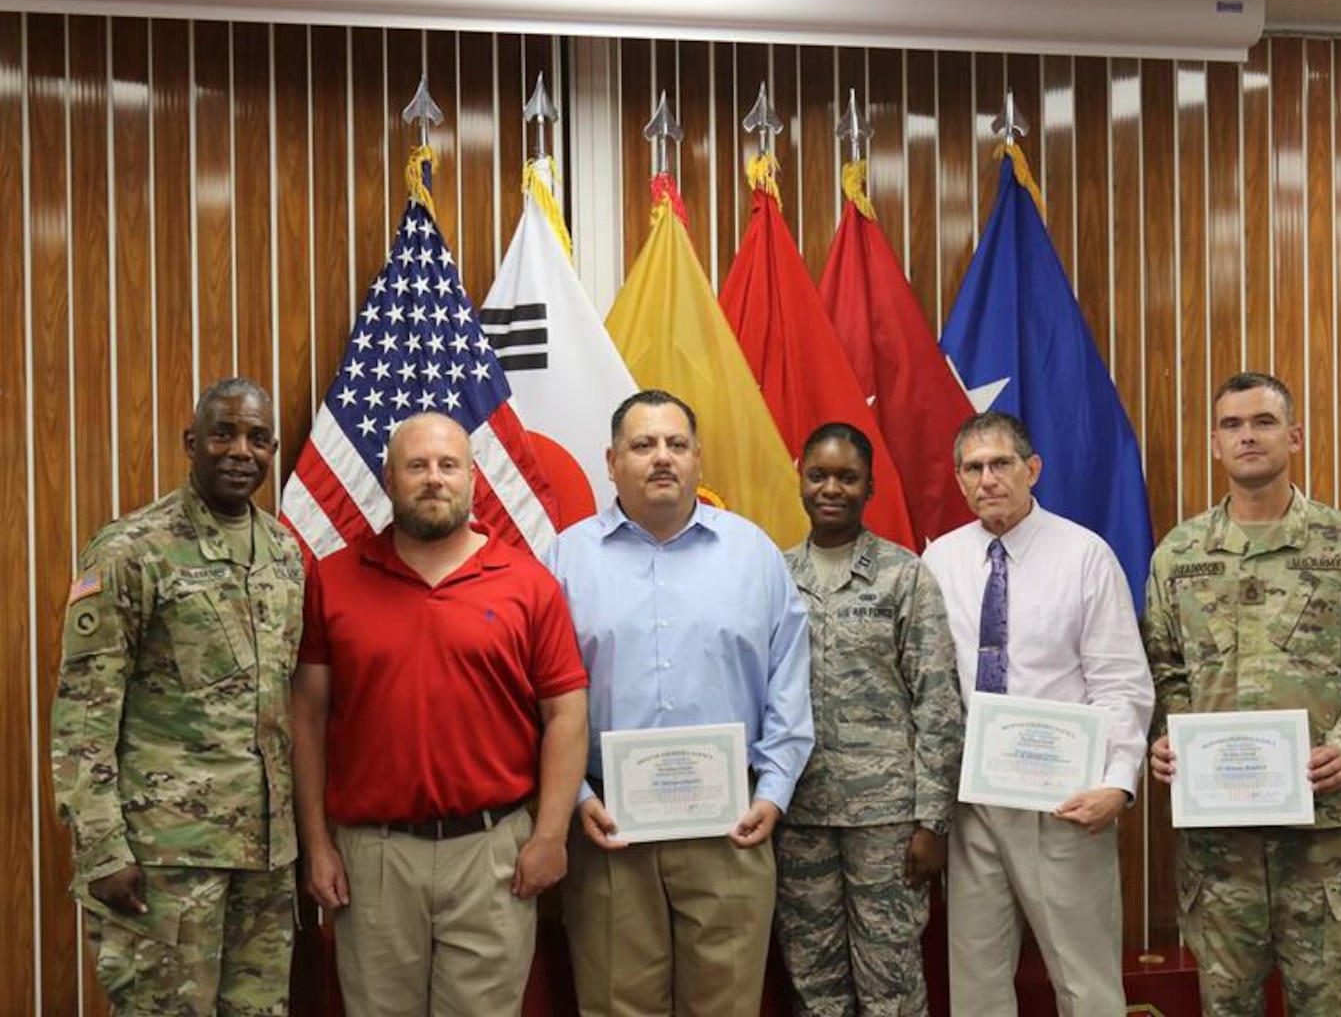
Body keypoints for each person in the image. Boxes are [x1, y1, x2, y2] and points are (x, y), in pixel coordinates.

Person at [291, 412, 588, 1016]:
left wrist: (551, 835)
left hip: (491, 853)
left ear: (473, 478)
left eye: (448, 465)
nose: (434, 479)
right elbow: (307, 719)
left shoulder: (528, 584)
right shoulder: (335, 579)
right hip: (372, 856)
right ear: (389, 478)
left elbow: (566, 715)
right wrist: (317, 845)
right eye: (417, 466)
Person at [1144, 371, 1341, 1017]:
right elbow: (1162, 670)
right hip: (1220, 838)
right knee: (1226, 1004)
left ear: (1293, 435)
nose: (1247, 436)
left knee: (1322, 1005)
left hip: (1322, 832)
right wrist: (1170, 741)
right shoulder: (1180, 555)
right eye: (1232, 425)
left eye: (1262, 422)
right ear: (1214, 443)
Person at [543, 388, 812, 1017]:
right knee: (617, 1006)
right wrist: (576, 800)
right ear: (611, 462)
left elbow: (789, 685)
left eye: (676, 444)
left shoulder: (753, 555)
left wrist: (772, 792)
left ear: (698, 458)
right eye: (643, 445)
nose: (662, 457)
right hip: (608, 829)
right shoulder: (564, 560)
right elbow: (540, 694)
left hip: (731, 828)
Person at [51, 376, 304, 1016]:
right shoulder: (132, 550)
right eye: (223, 434)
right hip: (163, 858)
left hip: (265, 858)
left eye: (257, 438)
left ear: (273, 450)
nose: (240, 451)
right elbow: (84, 713)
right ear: (192, 442)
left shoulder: (284, 553)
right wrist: (101, 847)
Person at [921, 411, 1154, 1016]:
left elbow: (1121, 682)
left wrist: (1117, 785)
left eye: (1000, 464)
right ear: (958, 479)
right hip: (974, 803)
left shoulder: (1084, 556)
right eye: (972, 468)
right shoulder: (939, 562)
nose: (987, 479)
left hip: (1065, 802)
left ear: (1033, 469)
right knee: (976, 982)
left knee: (1085, 981)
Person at [776, 422, 963, 1017]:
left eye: (848, 477)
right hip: (800, 814)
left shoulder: (903, 575)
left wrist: (933, 821)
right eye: (819, 475)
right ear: (799, 481)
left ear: (870, 488)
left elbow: (938, 702)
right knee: (813, 979)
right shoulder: (774, 576)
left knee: (892, 979)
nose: (832, 488)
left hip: (887, 820)